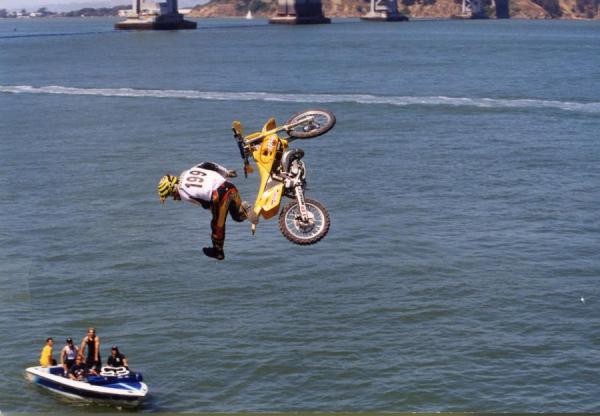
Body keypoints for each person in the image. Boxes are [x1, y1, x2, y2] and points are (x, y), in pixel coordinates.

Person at [157, 161, 257, 260]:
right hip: (229, 186)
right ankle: (245, 208)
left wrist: (216, 214)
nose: (174, 198)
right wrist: (226, 172)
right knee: (237, 216)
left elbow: (206, 204)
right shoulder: (190, 170)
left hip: (218, 195)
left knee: (217, 225)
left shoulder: (183, 192)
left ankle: (218, 252)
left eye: (171, 195)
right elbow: (208, 164)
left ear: (173, 188)